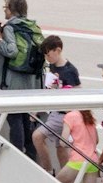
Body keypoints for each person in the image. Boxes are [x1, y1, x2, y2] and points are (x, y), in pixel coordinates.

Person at [0, 0, 44, 157]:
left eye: (5, 7)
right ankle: (31, 154)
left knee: (14, 118)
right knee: (26, 119)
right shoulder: (33, 26)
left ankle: (17, 153)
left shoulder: (10, 28)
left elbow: (12, 51)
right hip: (30, 82)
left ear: (12, 9)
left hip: (12, 82)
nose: (4, 10)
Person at [32, 37, 76, 173]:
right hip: (56, 112)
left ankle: (48, 170)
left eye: (48, 55)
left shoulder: (70, 71)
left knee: (37, 136)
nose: (47, 58)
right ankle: (63, 178)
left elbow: (77, 93)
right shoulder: (52, 67)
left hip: (64, 115)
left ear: (58, 50)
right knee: (60, 148)